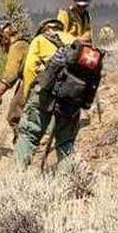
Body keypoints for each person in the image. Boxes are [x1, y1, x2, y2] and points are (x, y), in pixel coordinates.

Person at [14, 18, 79, 168]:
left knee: (29, 135)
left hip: (44, 93)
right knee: (66, 140)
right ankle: (67, 181)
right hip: (71, 96)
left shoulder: (39, 40)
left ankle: (19, 177)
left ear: (43, 29)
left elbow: (29, 69)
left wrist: (28, 96)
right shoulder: (74, 41)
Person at [0, 20, 30, 132]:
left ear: (4, 37)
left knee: (13, 116)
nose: (2, 46)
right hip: (36, 80)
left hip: (34, 81)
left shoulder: (16, 47)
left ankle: (25, 146)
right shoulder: (24, 44)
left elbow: (10, 76)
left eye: (0, 41)